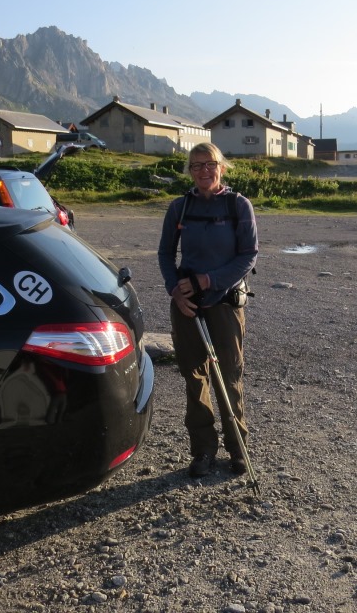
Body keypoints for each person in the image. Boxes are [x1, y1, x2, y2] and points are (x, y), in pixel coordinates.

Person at [158, 143, 258, 478]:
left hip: (225, 303)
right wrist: (176, 291)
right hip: (187, 306)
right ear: (189, 170)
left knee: (229, 375)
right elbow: (164, 254)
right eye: (196, 165)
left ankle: (237, 448)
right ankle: (202, 451)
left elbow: (248, 256)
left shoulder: (237, 205)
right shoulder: (180, 208)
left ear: (222, 167)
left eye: (210, 164)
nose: (204, 171)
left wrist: (207, 280)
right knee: (194, 376)